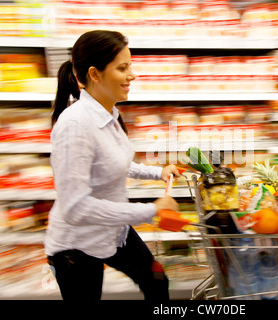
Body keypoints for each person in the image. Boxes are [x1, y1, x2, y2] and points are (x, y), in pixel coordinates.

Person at [45, 30, 180, 301]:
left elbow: (116, 163)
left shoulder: (109, 113)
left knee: (157, 282)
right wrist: (151, 210)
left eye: (130, 66)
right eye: (123, 68)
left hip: (114, 230)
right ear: (95, 74)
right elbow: (75, 208)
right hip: (77, 245)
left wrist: (158, 172)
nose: (132, 75)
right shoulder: (75, 126)